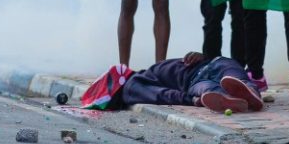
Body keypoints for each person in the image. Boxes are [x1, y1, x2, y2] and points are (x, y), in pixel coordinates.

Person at [81, 51, 264, 113]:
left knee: (209, 88)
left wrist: (194, 100)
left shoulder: (138, 80)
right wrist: (193, 100)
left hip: (198, 78)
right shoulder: (132, 86)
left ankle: (232, 96)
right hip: (214, 64)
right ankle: (248, 92)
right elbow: (162, 95)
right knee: (231, 73)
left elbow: (163, 94)